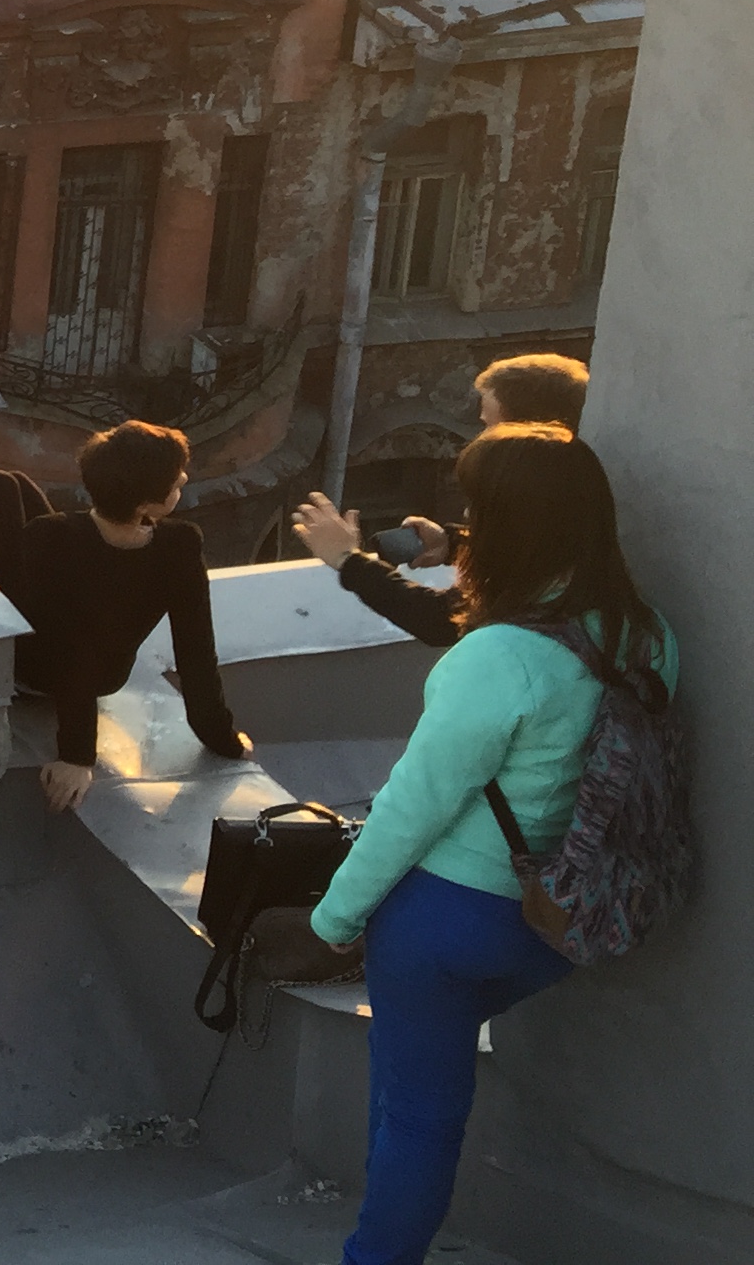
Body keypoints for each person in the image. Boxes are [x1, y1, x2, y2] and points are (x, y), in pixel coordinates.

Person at [309, 424, 678, 1265]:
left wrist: (330, 921)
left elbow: (413, 807)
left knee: (416, 1116)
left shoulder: (497, 656)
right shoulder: (645, 633)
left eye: (477, 512)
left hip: (445, 925)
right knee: (416, 1100)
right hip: (563, 922)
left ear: (511, 528)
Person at [0, 424, 252, 812]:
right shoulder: (179, 547)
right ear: (145, 506)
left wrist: (78, 756)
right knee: (8, 483)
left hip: (41, 664)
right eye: (175, 477)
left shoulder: (51, 537)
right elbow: (195, 650)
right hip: (80, 673)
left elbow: (75, 646)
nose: (183, 477)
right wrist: (221, 738)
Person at [290, 356, 588, 650]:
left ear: (525, 433)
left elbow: (445, 620)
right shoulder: (573, 493)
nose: (480, 438)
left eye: (490, 425)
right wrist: (453, 544)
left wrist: (346, 559)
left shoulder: (537, 513)